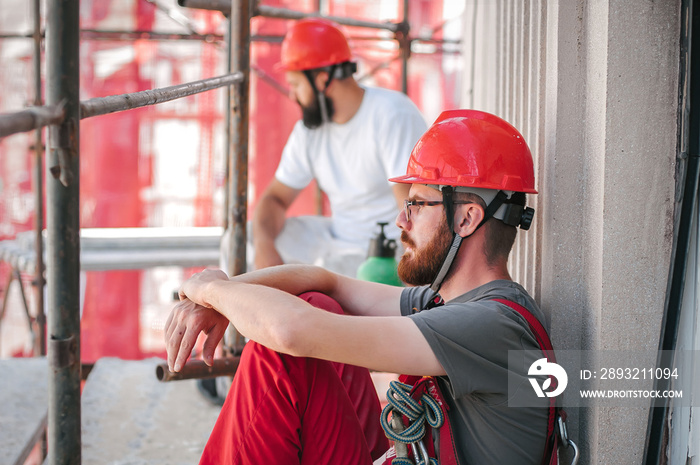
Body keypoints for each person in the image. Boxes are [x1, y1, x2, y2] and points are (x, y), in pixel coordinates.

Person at [166, 110, 554, 464]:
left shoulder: (489, 326)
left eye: (417, 204)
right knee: (318, 304)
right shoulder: (456, 303)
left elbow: (292, 331)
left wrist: (213, 290)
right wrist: (218, 297)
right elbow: (327, 283)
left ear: (467, 219)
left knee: (281, 351)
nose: (402, 220)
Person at [251, 17, 427, 275]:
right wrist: (264, 247)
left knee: (331, 272)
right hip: (337, 238)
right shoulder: (309, 131)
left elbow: (413, 211)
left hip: (387, 253)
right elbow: (275, 199)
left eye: (296, 84)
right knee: (244, 240)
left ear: (322, 79)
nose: (292, 95)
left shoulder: (391, 114)